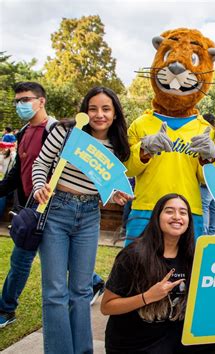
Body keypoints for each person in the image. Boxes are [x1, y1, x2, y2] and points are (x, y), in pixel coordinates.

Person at [32, 86, 132, 353]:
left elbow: (103, 186)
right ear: (84, 111)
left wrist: (114, 196)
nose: (99, 114)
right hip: (56, 211)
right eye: (93, 108)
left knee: (81, 292)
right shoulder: (66, 133)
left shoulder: (118, 146)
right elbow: (40, 164)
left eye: (106, 109)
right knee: (54, 292)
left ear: (115, 114)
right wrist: (40, 185)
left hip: (89, 216)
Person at [101, 193, 215, 353]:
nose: (177, 217)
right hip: (135, 343)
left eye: (183, 212)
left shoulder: (195, 256)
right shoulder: (133, 255)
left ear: (189, 221)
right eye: (169, 211)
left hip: (175, 339)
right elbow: (107, 307)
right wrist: (147, 297)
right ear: (157, 217)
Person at [0, 82, 57, 329]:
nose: (20, 105)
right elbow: (15, 174)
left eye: (25, 99)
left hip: (47, 207)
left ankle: (5, 310)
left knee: (21, 259)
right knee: (52, 256)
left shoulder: (55, 131)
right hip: (26, 207)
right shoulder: (23, 132)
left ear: (41, 101)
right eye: (17, 101)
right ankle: (95, 281)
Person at [200, 113, 215, 235]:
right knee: (214, 206)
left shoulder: (206, 134)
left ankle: (204, 232)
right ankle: (213, 232)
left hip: (207, 177)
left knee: (204, 206)